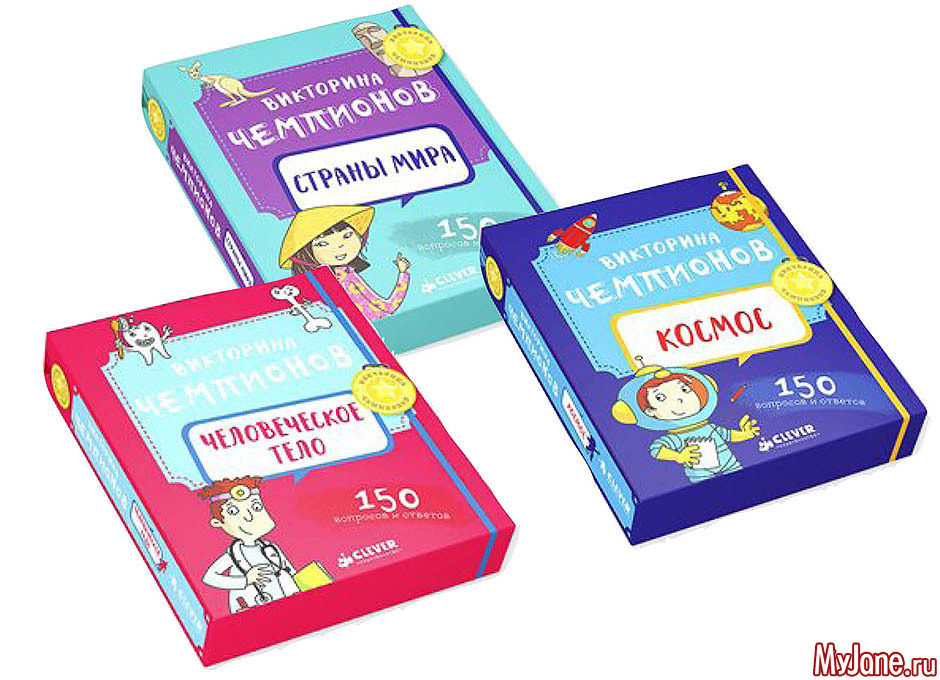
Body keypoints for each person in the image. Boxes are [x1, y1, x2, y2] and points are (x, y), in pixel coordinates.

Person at [610, 362, 760, 483]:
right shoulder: (676, 437)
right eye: (660, 398)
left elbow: (729, 435)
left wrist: (746, 434)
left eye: (684, 389)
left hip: (730, 465)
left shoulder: (710, 427)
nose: (679, 399)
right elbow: (656, 450)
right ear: (650, 411)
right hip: (701, 474)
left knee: (743, 481)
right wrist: (679, 456)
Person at [279, 205, 411, 321]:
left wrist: (403, 274)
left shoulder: (347, 274)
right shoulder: (315, 284)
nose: (340, 246)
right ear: (305, 254)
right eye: (323, 244)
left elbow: (384, 307)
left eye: (347, 236)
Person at [198, 477, 299, 612]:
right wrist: (245, 580)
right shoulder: (233, 555)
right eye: (233, 512)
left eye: (256, 507)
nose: (249, 517)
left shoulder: (271, 548)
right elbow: (209, 577)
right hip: (251, 605)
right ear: (218, 523)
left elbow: (290, 571)